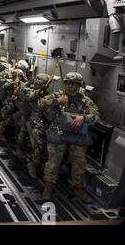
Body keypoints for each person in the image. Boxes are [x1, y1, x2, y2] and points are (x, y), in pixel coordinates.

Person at [38, 72, 99, 203]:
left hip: (77, 136)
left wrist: (84, 117)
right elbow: (40, 104)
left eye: (75, 85)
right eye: (69, 84)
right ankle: (48, 188)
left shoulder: (85, 100)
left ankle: (78, 189)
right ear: (65, 84)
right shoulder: (57, 95)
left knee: (79, 164)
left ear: (80, 86)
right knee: (53, 163)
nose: (71, 87)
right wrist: (56, 101)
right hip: (58, 134)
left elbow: (96, 115)